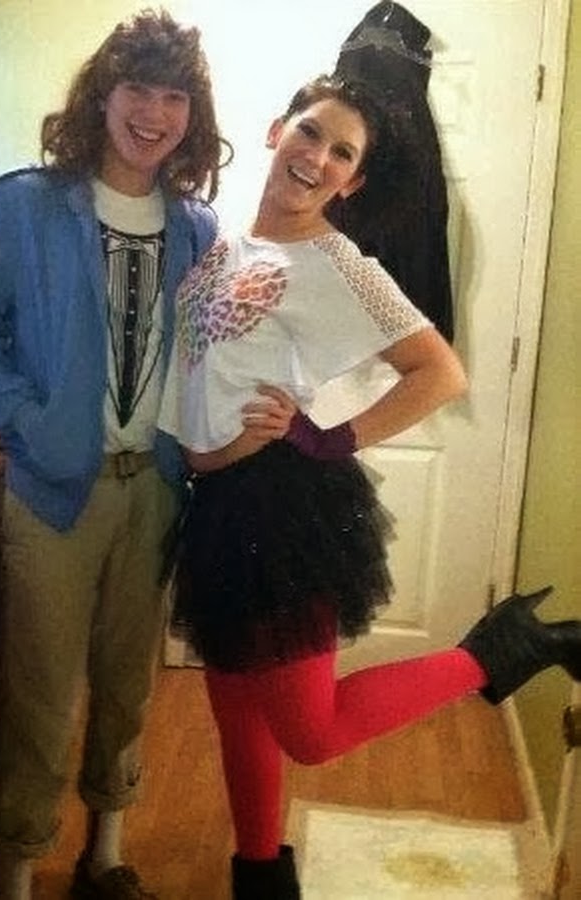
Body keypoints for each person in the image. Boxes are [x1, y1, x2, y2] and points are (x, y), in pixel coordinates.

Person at [156, 74, 581, 900]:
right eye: (311, 133)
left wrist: (332, 435)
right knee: (236, 705)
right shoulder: (226, 244)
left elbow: (440, 371)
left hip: (284, 509)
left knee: (310, 733)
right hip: (217, 508)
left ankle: (502, 648)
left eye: (342, 154)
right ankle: (258, 874)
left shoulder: (337, 265)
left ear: (350, 182)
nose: (317, 157)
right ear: (277, 129)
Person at [0, 10, 227, 899]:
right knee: (42, 694)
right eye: (138, 88)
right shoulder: (26, 205)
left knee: (129, 688)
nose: (154, 112)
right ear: (103, 95)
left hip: (157, 492)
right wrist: (26, 420)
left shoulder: (197, 227)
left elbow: (207, 354)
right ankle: (18, 871)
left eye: (173, 96)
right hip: (55, 490)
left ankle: (105, 855)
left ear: (192, 115)